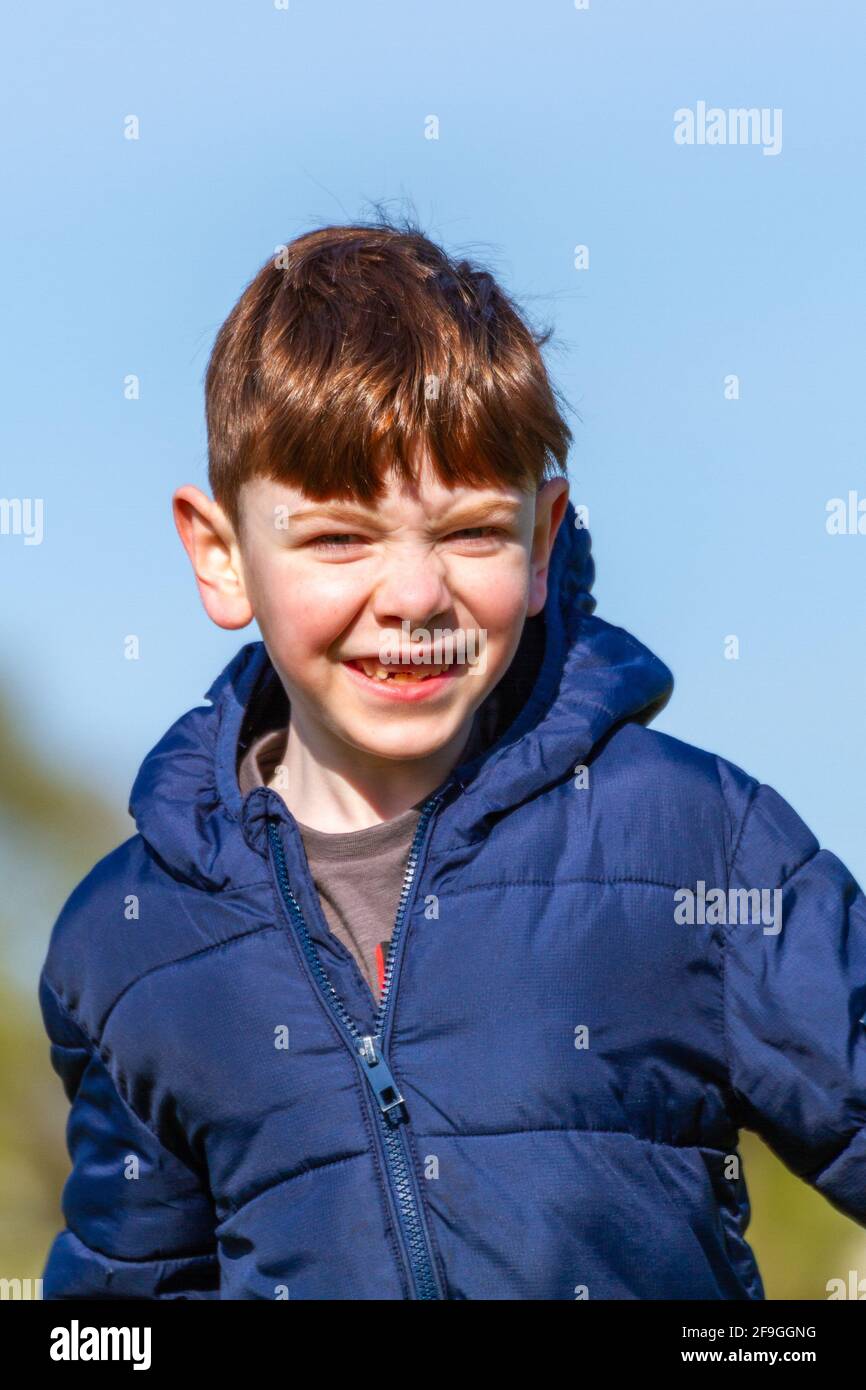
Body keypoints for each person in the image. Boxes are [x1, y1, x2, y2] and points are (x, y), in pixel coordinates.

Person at [38, 221, 866, 1300]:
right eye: (339, 538)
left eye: (472, 532)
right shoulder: (126, 944)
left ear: (541, 536)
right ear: (221, 555)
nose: (415, 596)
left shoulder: (693, 842)